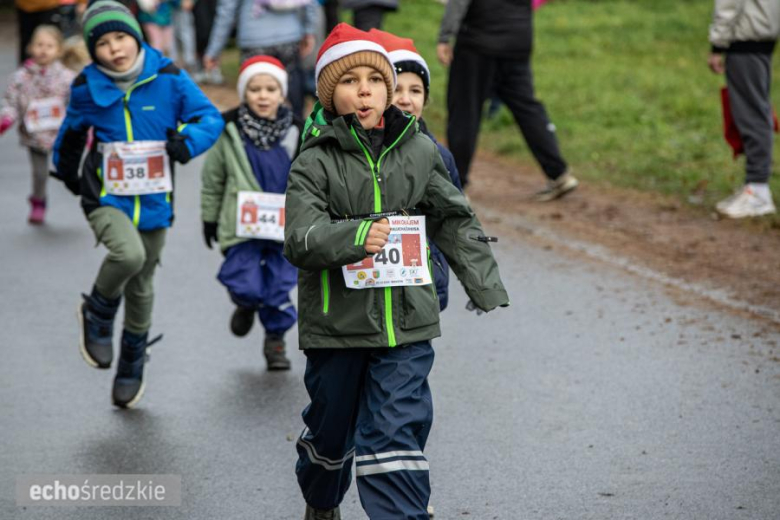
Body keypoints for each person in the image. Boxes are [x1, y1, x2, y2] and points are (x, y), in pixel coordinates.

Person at [284, 23, 509, 520]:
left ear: (389, 90)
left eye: (374, 79)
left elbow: (453, 217)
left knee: (395, 429)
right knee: (331, 430)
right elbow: (299, 238)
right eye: (348, 80)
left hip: (406, 322)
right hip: (336, 326)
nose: (363, 89)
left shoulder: (420, 151)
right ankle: (321, 497)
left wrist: (483, 282)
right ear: (328, 94)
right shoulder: (313, 163)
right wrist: (355, 237)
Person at [51, 0, 223, 408]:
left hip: (154, 200)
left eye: (121, 37)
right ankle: (97, 311)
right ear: (93, 50)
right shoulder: (86, 86)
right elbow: (71, 134)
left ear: (136, 35)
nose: (115, 48)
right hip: (106, 196)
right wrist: (68, 172)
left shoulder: (168, 76)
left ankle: (131, 359)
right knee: (127, 256)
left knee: (144, 281)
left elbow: (209, 118)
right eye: (104, 42)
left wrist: (187, 142)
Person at [200, 56, 301, 370]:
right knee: (245, 282)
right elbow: (213, 178)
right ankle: (245, 303)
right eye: (255, 89)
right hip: (242, 224)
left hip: (283, 226)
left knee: (279, 285)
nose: (263, 95)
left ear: (281, 93)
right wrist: (210, 217)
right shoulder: (229, 130)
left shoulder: (297, 131)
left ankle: (275, 341)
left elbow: (313, 179)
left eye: (271, 88)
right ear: (244, 93)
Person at [437, 0, 577, 199]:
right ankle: (559, 173)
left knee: (464, 111)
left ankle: (456, 186)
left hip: (478, 42)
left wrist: (445, 36)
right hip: (517, 39)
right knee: (527, 108)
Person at [371, 28, 462, 311]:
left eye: (415, 91)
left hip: (421, 286)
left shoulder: (440, 157)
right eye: (396, 89)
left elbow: (453, 220)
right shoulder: (357, 153)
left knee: (410, 355)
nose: (406, 99)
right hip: (367, 284)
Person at [709, 0, 779, 218]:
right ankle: (754, 185)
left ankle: (757, 190)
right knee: (754, 110)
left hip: (745, 38)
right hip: (762, 36)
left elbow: (729, 3)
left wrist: (718, 44)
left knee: (751, 114)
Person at [1, 25, 75, 225]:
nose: (43, 49)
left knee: (69, 169)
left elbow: (78, 102)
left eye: (49, 46)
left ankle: (87, 196)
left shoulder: (68, 77)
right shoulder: (20, 77)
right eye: (39, 44)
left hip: (62, 134)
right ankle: (38, 200)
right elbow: (11, 102)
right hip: (35, 135)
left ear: (58, 50)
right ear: (30, 47)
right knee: (40, 173)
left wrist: (85, 126)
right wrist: (6, 120)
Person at [202, 0, 317, 118]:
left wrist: (214, 50)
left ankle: (253, 134)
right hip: (290, 36)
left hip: (253, 39)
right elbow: (310, 3)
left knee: (255, 99)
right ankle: (298, 131)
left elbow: (226, 11)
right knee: (293, 96)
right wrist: (309, 31)